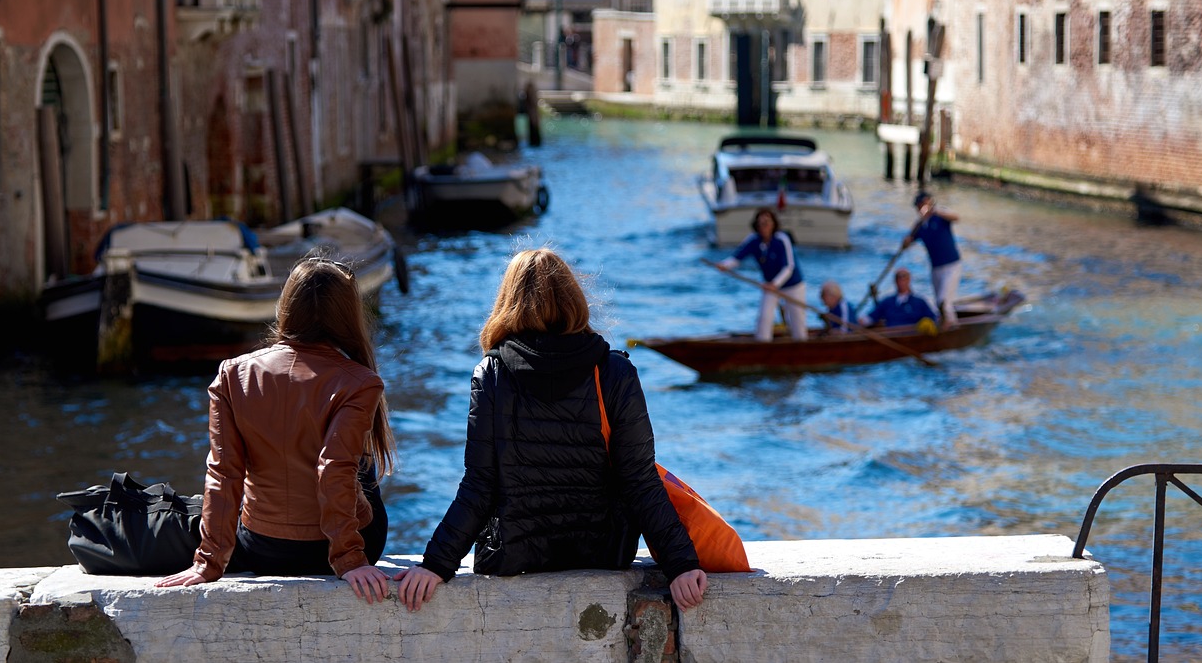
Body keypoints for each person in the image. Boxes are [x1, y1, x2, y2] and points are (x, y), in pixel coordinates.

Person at [394, 248, 707, 613]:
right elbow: (638, 480)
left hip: (515, 553)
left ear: (508, 302)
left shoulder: (492, 374)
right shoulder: (615, 372)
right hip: (604, 551)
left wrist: (436, 564)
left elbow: (480, 484)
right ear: (574, 299)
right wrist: (681, 565)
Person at [158, 256, 397, 606]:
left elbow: (224, 473)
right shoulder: (360, 382)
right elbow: (333, 469)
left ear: (286, 307)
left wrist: (208, 562)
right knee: (360, 462)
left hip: (261, 547)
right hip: (333, 553)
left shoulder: (230, 375)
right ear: (348, 315)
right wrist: (349, 560)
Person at [716, 208, 807, 342]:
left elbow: (789, 267)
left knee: (797, 321)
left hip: (793, 286)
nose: (763, 227)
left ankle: (801, 347)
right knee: (764, 318)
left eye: (766, 223)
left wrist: (775, 284)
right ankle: (763, 345)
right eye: (760, 224)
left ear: (773, 224)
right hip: (770, 286)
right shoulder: (754, 240)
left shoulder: (782, 239)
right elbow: (737, 257)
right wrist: (725, 265)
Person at [902, 191, 962, 328]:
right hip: (936, 268)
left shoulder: (940, 215)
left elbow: (956, 217)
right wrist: (906, 241)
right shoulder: (920, 225)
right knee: (939, 303)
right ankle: (950, 324)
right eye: (918, 206)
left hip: (951, 265)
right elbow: (908, 241)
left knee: (943, 301)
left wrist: (934, 211)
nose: (920, 208)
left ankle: (950, 328)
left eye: (922, 205)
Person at [861, 268, 939, 328]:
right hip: (890, 337)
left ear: (909, 280)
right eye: (899, 277)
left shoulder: (919, 302)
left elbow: (933, 319)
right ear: (895, 281)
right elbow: (870, 318)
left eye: (904, 277)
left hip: (913, 338)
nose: (901, 280)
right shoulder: (887, 302)